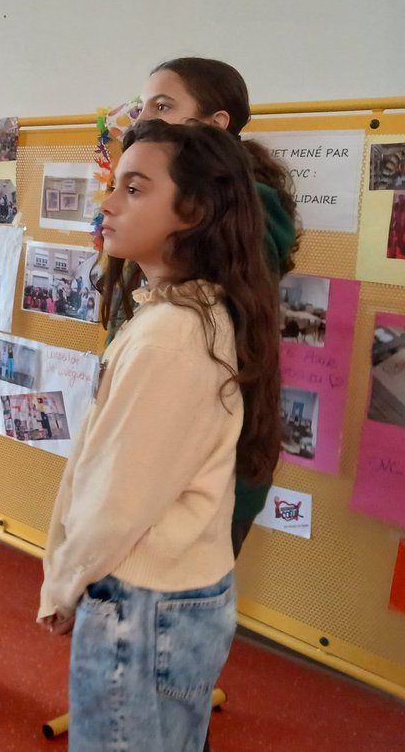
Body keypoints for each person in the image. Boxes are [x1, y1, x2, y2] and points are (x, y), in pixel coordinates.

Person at [38, 120, 282, 751]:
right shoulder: (188, 314)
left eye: (135, 189)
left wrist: (64, 584)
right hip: (172, 601)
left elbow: (118, 495)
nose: (108, 203)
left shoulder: (172, 333)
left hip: (142, 606)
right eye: (114, 185)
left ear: (192, 211)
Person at [133, 57, 301, 555]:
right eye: (142, 104)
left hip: (207, 460)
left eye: (164, 105)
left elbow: (205, 348)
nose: (145, 117)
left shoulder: (239, 216)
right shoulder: (176, 204)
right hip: (158, 445)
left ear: (216, 123)